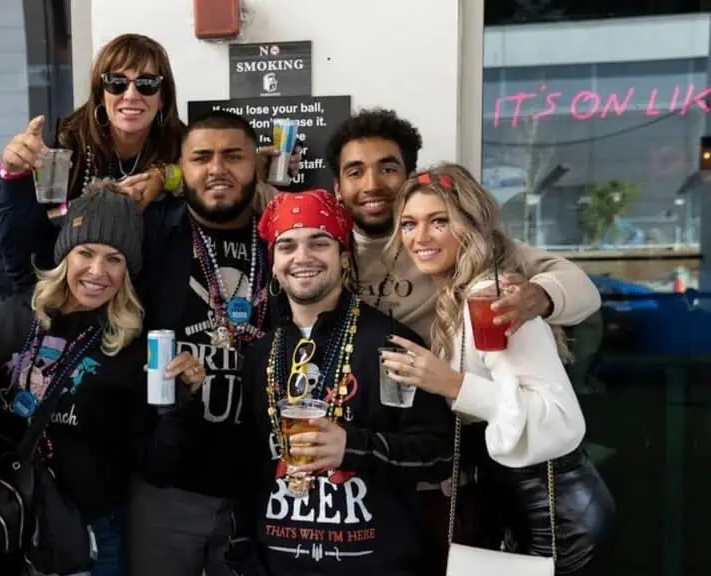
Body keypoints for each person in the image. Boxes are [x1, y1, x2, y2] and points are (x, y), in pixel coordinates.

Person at [324, 107, 603, 568]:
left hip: (539, 497)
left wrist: (537, 298)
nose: (371, 183)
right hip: (447, 463)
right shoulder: (327, 246)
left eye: (388, 168)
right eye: (355, 171)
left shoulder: (490, 288)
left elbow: (575, 288)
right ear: (338, 187)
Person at [383, 164, 613, 573]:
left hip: (556, 518)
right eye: (409, 224)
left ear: (470, 227)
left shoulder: (493, 297)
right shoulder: (459, 297)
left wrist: (453, 384)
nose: (420, 237)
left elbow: (557, 419)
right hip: (523, 505)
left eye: (439, 222)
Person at [0, 184, 207, 576]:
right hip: (5, 521)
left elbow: (156, 467)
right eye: (85, 253)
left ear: (128, 269)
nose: (97, 272)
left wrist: (180, 400)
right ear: (65, 255)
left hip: (88, 537)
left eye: (114, 259)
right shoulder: (15, 317)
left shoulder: (132, 346)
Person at [229, 190, 454, 576]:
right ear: (274, 264)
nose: (302, 258)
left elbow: (440, 456)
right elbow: (248, 471)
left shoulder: (391, 344)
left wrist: (352, 446)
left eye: (319, 242)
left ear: (344, 257)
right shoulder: (260, 354)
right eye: (287, 246)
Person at [126, 110, 277, 576]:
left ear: (257, 165)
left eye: (234, 156)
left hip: (264, 488)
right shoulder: (151, 233)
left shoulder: (287, 239)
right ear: (181, 168)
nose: (217, 169)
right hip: (170, 483)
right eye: (202, 157)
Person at [0, 33, 186, 293]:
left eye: (146, 83)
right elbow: (21, 235)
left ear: (163, 97)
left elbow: (204, 175)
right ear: (100, 93)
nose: (131, 94)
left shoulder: (179, 143)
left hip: (131, 295)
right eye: (116, 83)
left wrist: (162, 176)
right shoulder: (62, 143)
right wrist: (12, 173)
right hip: (40, 283)